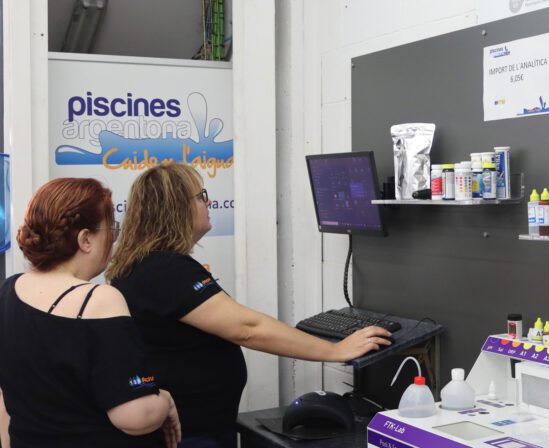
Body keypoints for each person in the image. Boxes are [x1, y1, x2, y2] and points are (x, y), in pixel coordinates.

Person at [107, 163, 391, 448]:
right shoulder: (166, 269)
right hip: (191, 433)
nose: (209, 202)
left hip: (192, 427)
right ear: (175, 208)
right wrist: (335, 350)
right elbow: (247, 329)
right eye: (201, 196)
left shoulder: (142, 264)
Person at [0, 178, 182, 447]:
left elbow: (6, 398)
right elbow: (134, 417)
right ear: (85, 239)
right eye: (111, 228)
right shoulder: (98, 300)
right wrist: (164, 401)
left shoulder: (8, 290)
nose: (114, 237)